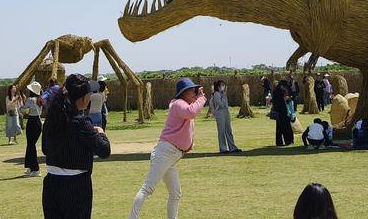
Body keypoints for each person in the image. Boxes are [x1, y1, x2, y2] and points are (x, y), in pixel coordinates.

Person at [128, 77, 206, 219]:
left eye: (195, 90)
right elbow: (191, 112)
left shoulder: (184, 104)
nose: (195, 93)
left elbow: (190, 117)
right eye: (191, 90)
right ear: (183, 93)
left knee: (175, 193)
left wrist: (188, 144)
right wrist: (202, 98)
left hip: (171, 155)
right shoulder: (178, 104)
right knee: (148, 188)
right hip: (165, 153)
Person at [41, 73, 110, 219]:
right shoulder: (81, 123)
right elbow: (104, 150)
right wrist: (101, 133)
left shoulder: (51, 120)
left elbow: (45, 149)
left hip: (51, 184)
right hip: (76, 187)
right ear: (84, 98)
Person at [209, 81, 240, 153]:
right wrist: (223, 95)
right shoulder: (216, 94)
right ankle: (223, 149)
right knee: (221, 131)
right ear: (218, 87)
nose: (224, 87)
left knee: (229, 130)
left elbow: (226, 104)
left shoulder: (223, 94)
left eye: (224, 85)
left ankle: (232, 148)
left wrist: (224, 95)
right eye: (222, 85)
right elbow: (221, 104)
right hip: (220, 113)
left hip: (226, 112)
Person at [23, 81, 44, 177]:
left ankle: (35, 169)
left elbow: (22, 109)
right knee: (31, 145)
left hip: (32, 122)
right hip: (38, 122)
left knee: (31, 145)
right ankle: (31, 167)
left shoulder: (30, 99)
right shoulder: (41, 99)